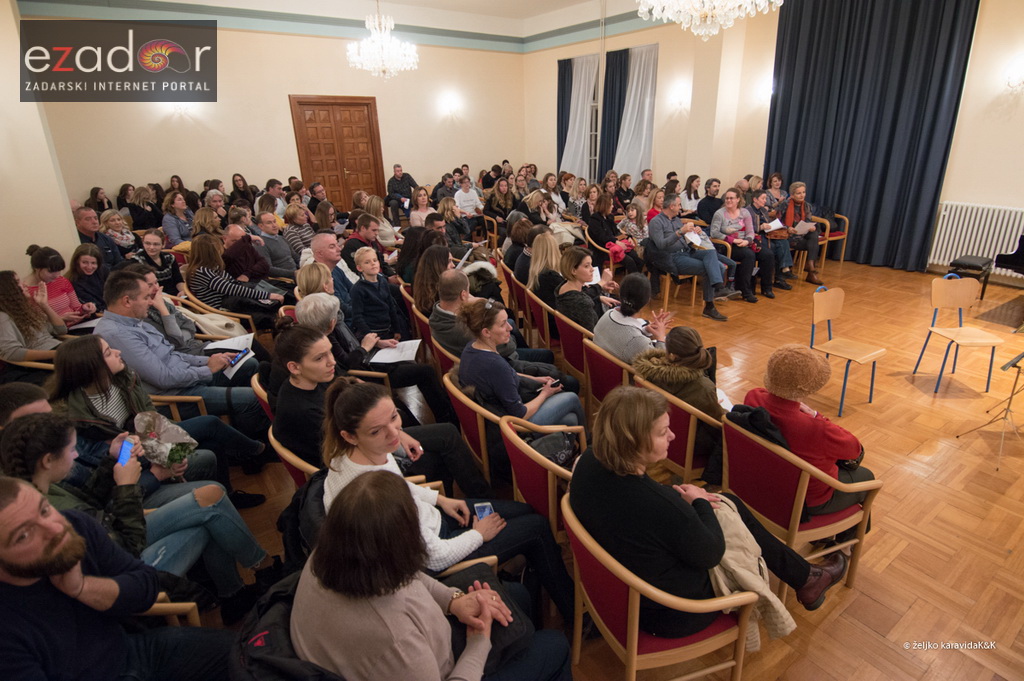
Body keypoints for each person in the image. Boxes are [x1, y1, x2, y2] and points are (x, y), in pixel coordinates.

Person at [569, 386, 850, 639]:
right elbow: (710, 553)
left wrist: (694, 502)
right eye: (661, 432)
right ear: (632, 440)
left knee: (728, 502)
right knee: (724, 507)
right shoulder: (660, 506)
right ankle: (807, 578)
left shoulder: (588, 461)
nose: (672, 435)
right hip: (673, 612)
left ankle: (806, 577)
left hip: (616, 588)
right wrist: (699, 503)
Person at [319, 380, 575, 618]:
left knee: (525, 510)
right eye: (377, 431)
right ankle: (574, 612)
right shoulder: (366, 497)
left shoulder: (356, 455)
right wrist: (478, 535)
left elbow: (398, 487)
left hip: (435, 522)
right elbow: (433, 558)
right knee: (538, 528)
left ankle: (519, 571)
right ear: (349, 435)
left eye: (394, 417)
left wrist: (439, 500)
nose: (393, 433)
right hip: (438, 552)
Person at [0, 413, 278, 625]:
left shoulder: (42, 486)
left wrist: (113, 459)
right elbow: (126, 545)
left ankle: (235, 594)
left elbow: (96, 505)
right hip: (122, 573)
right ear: (48, 460)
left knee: (209, 508)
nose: (75, 454)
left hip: (117, 539)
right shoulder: (44, 508)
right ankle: (262, 569)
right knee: (212, 500)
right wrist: (127, 487)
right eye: (71, 450)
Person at [291, 470, 570, 681]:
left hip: (425, 642)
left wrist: (453, 600)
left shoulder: (335, 552)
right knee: (555, 646)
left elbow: (408, 576)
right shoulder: (395, 641)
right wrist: (479, 644)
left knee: (516, 597)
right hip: (446, 667)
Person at [0, 476, 236, 680]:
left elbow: (146, 588)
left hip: (132, 651)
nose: (55, 529)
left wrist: (81, 587)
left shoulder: (76, 526)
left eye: (44, 510)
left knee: (250, 658)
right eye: (24, 535)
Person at [51, 333, 267, 506]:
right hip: (129, 463)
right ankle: (251, 459)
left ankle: (236, 480)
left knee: (211, 433)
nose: (117, 352)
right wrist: (165, 458)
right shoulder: (76, 418)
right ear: (92, 368)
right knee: (207, 449)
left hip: (147, 438)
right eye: (108, 352)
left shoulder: (123, 378)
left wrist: (171, 450)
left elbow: (149, 415)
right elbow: (114, 454)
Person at [272, 315, 474, 487]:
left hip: (368, 439)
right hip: (357, 472)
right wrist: (397, 435)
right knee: (435, 459)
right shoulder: (301, 410)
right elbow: (347, 452)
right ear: (294, 367)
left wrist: (398, 433)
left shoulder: (317, 379)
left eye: (330, 353)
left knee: (447, 431)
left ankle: (480, 499)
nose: (332, 361)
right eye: (319, 358)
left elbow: (348, 385)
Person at [95, 270, 270, 441]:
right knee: (252, 398)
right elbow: (163, 378)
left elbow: (173, 353)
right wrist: (206, 370)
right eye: (146, 297)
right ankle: (251, 455)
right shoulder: (117, 334)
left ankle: (242, 433)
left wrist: (209, 361)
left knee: (249, 365)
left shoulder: (135, 322)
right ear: (127, 301)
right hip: (177, 395)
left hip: (187, 378)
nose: (151, 301)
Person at [744, 345, 875, 520]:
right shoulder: (815, 428)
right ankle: (844, 543)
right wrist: (816, 416)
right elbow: (854, 449)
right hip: (806, 499)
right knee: (867, 477)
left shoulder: (753, 396)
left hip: (763, 482)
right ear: (809, 388)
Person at [458, 297, 585, 430]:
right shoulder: (495, 365)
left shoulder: (471, 347)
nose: (510, 327)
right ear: (486, 332)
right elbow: (520, 414)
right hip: (511, 428)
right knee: (571, 397)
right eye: (503, 324)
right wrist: (545, 393)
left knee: (570, 419)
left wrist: (534, 378)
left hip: (494, 416)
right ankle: (588, 443)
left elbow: (506, 374)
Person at [632, 326, 725, 483]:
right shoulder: (703, 387)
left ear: (671, 354)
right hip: (688, 444)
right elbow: (718, 424)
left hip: (656, 430)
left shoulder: (648, 372)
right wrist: (718, 408)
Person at [646, 193, 732, 322]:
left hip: (687, 251)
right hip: (672, 257)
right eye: (679, 204)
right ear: (671, 206)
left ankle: (718, 286)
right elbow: (661, 245)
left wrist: (694, 232)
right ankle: (710, 304)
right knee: (712, 267)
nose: (681, 207)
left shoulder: (676, 219)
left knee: (710, 252)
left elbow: (686, 240)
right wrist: (680, 232)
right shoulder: (656, 222)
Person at [185, 234, 284, 325]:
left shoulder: (212, 267)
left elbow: (233, 284)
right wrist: (267, 295)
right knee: (273, 316)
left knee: (276, 301)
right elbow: (232, 289)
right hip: (223, 311)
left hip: (232, 303)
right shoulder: (201, 271)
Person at [0, 271, 66, 385]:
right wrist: (57, 353)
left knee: (96, 348)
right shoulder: (3, 317)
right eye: (18, 282)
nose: (24, 284)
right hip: (43, 359)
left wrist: (44, 305)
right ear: (9, 290)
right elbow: (12, 353)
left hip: (57, 349)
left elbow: (61, 330)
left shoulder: (26, 309)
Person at [593, 273, 671, 364]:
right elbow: (660, 366)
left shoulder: (607, 314)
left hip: (597, 373)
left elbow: (623, 336)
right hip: (621, 377)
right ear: (646, 301)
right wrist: (661, 338)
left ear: (620, 294)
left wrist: (645, 330)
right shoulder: (637, 341)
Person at [709, 187, 761, 303]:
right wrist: (732, 240)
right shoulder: (719, 213)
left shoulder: (745, 212)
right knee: (749, 255)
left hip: (743, 243)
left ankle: (742, 288)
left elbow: (750, 231)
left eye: (731, 198)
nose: (728, 201)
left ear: (738, 199)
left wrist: (747, 240)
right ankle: (745, 291)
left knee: (756, 254)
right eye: (727, 198)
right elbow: (714, 233)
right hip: (725, 245)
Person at [24, 245, 95, 326]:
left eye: (59, 271)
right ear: (37, 268)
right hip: (61, 331)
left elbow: (76, 307)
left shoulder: (61, 280)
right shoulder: (25, 291)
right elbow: (35, 325)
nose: (57, 275)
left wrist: (84, 308)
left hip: (80, 324)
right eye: (51, 272)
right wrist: (60, 319)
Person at [351, 247, 409, 341]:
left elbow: (391, 306)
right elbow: (357, 317)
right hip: (373, 332)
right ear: (359, 268)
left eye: (375, 260)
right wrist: (370, 337)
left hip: (388, 328)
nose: (373, 263)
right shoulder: (357, 289)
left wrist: (397, 329)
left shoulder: (383, 281)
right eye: (367, 262)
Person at [555, 247, 618, 332]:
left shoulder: (563, 287)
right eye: (587, 266)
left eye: (591, 264)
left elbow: (578, 297)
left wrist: (599, 298)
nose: (592, 269)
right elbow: (592, 335)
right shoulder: (582, 303)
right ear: (573, 270)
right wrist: (602, 281)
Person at [775, 182, 824, 285]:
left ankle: (810, 266)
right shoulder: (785, 204)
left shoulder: (807, 206)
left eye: (804, 192)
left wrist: (811, 226)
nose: (802, 195)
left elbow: (808, 221)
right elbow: (777, 222)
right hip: (788, 237)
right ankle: (811, 272)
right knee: (813, 243)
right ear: (792, 195)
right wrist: (787, 228)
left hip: (801, 236)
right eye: (798, 193)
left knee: (814, 234)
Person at [745, 189, 793, 294]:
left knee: (783, 242)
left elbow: (769, 223)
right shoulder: (747, 211)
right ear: (755, 199)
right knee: (771, 251)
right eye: (763, 198)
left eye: (765, 198)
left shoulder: (763, 210)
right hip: (756, 236)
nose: (765, 201)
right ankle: (771, 282)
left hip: (768, 234)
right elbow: (746, 227)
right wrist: (760, 227)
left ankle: (783, 271)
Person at [586, 193, 642, 274]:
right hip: (604, 249)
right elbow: (601, 237)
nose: (612, 206)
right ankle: (632, 284)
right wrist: (616, 242)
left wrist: (628, 237)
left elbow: (616, 231)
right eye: (611, 204)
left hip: (615, 244)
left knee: (638, 261)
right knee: (630, 262)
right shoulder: (594, 219)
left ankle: (637, 282)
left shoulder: (609, 217)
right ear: (605, 205)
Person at [131, 229, 185, 295]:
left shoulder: (170, 257)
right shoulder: (136, 261)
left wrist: (182, 291)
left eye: (156, 244)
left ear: (163, 244)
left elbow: (178, 280)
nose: (151, 247)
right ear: (143, 243)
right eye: (147, 243)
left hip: (176, 295)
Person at [252, 210, 299, 280]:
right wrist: (293, 273)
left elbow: (295, 257)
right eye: (269, 223)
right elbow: (269, 269)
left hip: (297, 275)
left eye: (274, 221)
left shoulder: (282, 238)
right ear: (261, 226)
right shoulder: (260, 244)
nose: (274, 225)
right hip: (283, 280)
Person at [66, 243, 109, 312]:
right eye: (85, 262)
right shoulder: (72, 281)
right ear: (77, 261)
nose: (89, 267)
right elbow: (93, 305)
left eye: (93, 263)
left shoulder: (103, 270)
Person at [413, 244, 454, 316]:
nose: (453, 265)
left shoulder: (423, 284)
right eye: (449, 261)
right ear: (438, 265)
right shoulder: (442, 293)